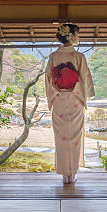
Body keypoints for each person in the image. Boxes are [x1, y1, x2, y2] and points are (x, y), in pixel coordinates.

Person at [45, 23, 95, 184]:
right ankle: (71, 174)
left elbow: (49, 79)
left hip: (59, 100)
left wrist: (54, 94)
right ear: (72, 36)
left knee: (60, 138)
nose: (78, 37)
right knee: (75, 137)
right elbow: (84, 78)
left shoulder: (53, 56)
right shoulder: (79, 57)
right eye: (77, 35)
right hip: (75, 100)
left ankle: (64, 175)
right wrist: (84, 95)